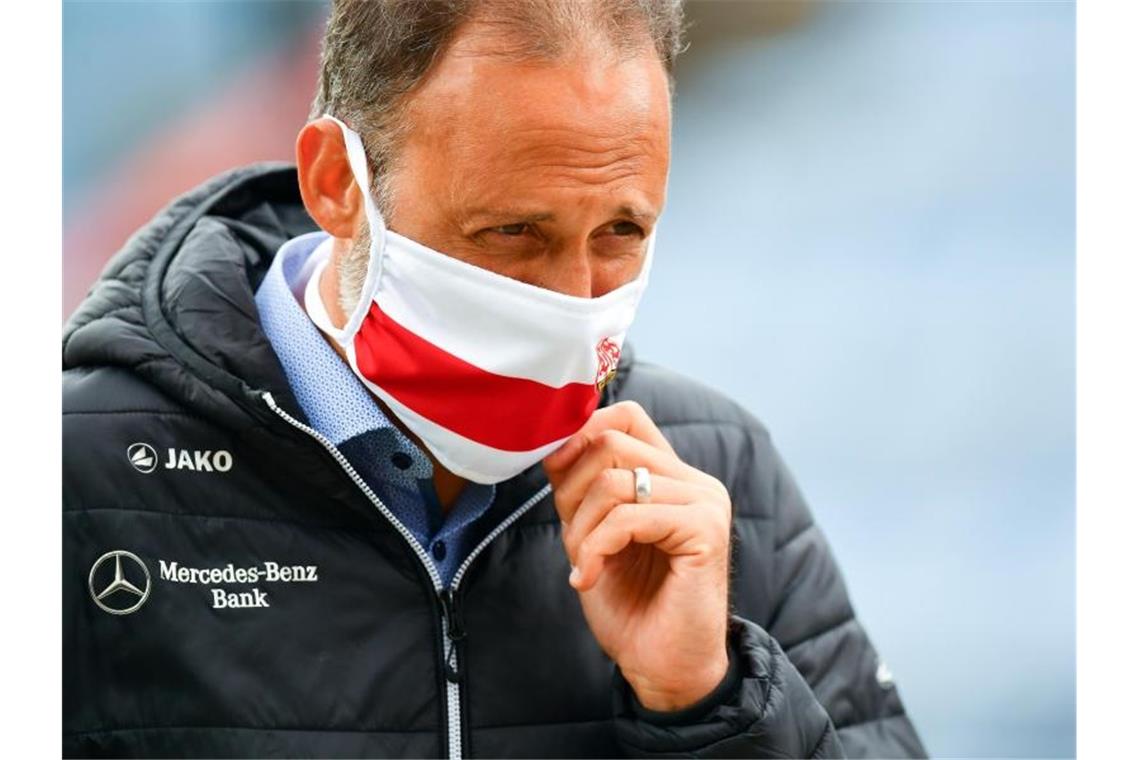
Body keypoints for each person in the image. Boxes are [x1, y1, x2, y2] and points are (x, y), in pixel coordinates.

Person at [62, 1, 926, 757]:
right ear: (337, 185)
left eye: (621, 231)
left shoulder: (721, 475)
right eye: (513, 231)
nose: (572, 304)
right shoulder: (73, 478)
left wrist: (709, 699)